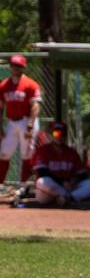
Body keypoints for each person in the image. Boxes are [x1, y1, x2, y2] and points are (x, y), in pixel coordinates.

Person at [31, 122, 90, 205]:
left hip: (69, 187)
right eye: (56, 133)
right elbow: (42, 172)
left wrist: (74, 181)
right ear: (51, 134)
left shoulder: (71, 152)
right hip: (49, 191)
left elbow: (81, 174)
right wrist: (62, 182)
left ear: (65, 135)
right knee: (42, 182)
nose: (59, 136)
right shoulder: (43, 150)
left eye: (62, 134)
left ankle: (69, 198)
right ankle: (69, 198)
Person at [0, 54, 42, 183]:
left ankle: (24, 186)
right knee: (3, 154)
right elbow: (0, 107)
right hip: (12, 122)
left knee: (27, 154)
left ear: (23, 67)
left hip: (27, 121)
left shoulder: (30, 84)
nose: (15, 68)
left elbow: (35, 106)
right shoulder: (3, 85)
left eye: (18, 66)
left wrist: (30, 126)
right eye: (13, 65)